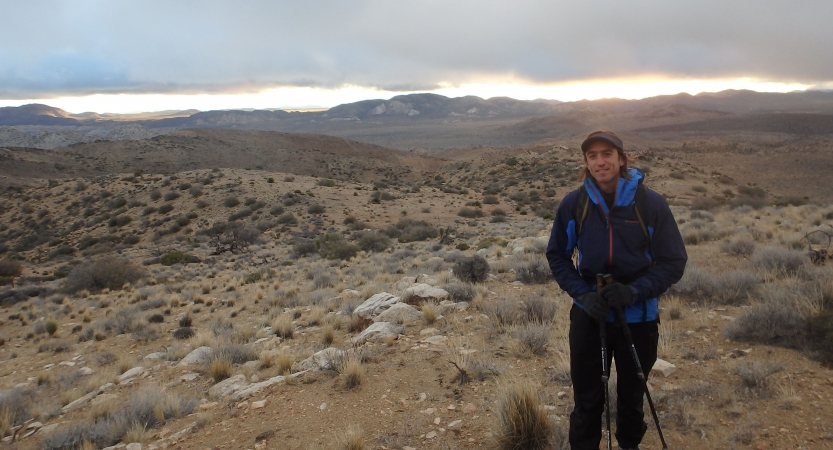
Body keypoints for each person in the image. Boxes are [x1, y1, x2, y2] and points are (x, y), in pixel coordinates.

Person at [546, 130, 687, 450]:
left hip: (638, 317)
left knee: (632, 397)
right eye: (592, 156)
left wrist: (635, 291)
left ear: (621, 159)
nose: (600, 161)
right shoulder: (575, 203)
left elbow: (673, 261)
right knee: (587, 399)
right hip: (589, 316)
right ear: (586, 163)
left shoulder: (650, 204)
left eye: (607, 154)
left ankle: (628, 445)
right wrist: (581, 294)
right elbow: (557, 255)